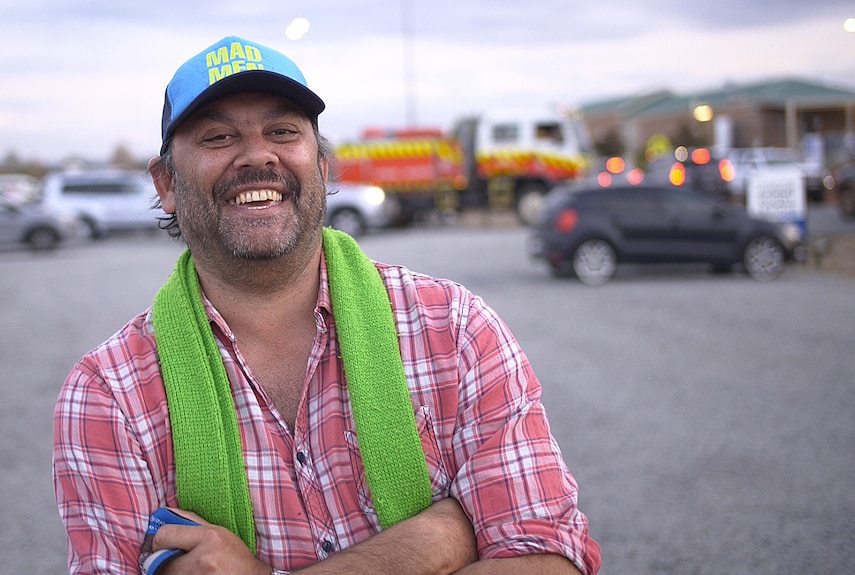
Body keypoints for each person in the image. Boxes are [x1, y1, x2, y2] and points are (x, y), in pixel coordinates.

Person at [52, 36, 601, 575]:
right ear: (167, 183)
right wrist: (436, 541)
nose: (257, 155)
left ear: (322, 165)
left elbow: (550, 559)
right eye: (219, 136)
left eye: (283, 131)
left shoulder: (454, 330)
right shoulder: (107, 397)